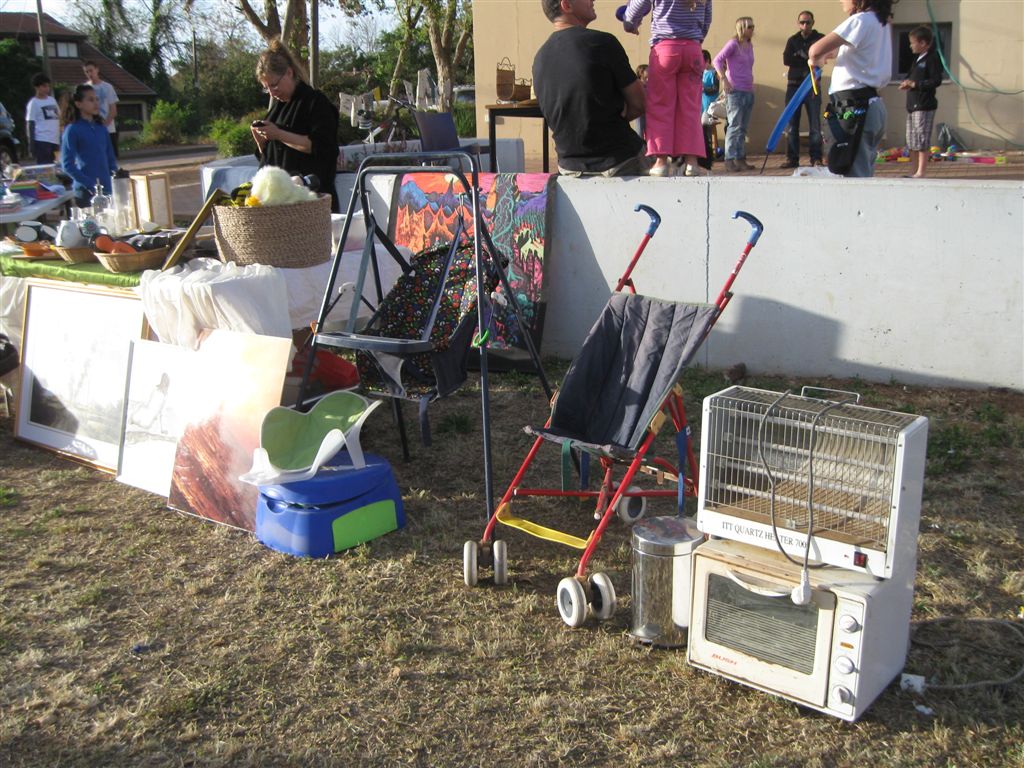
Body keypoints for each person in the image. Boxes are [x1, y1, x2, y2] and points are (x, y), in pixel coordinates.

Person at [533, 0, 647, 177]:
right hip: (620, 160)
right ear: (567, 5)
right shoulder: (602, 43)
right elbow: (640, 103)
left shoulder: (540, 58)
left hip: (569, 167)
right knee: (671, 167)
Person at [621, 0, 713, 177]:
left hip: (665, 49)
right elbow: (707, 20)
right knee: (691, 108)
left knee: (660, 106)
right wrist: (694, 38)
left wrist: (630, 23)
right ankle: (692, 162)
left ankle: (661, 161)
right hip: (693, 50)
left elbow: (637, 7)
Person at [252, 40, 341, 211]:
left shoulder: (315, 102)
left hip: (311, 200)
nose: (272, 92)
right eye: (266, 88)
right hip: (281, 204)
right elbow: (271, 159)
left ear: (289, 73)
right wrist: (261, 140)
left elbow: (322, 147)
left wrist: (278, 134)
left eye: (274, 85)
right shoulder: (276, 110)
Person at [809, 0, 894, 178]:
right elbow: (839, 51)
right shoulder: (881, 23)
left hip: (854, 106)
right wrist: (825, 56)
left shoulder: (860, 20)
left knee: (852, 174)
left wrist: (815, 59)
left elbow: (815, 50)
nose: (841, 1)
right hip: (871, 104)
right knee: (861, 170)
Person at [60, 84, 118, 207]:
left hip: (107, 188)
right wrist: (90, 184)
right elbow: (67, 165)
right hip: (86, 192)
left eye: (97, 99)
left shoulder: (101, 128)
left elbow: (110, 157)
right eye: (91, 100)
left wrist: (116, 178)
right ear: (78, 104)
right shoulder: (72, 130)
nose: (96, 103)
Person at [782, 10, 825, 168]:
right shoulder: (793, 40)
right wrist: (807, 58)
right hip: (794, 85)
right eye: (802, 22)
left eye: (808, 22)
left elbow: (821, 58)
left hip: (811, 85)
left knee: (815, 125)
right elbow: (787, 59)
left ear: (813, 23)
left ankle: (816, 158)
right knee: (792, 125)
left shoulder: (819, 38)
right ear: (798, 23)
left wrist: (801, 56)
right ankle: (792, 159)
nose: (805, 25)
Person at [713, 17, 756, 173]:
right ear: (741, 28)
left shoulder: (749, 45)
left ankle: (740, 158)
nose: (752, 29)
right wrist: (724, 79)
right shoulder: (733, 44)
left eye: (753, 26)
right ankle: (729, 159)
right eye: (749, 26)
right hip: (735, 90)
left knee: (742, 127)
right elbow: (717, 60)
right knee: (735, 126)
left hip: (748, 89)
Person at [899, 25, 942, 179]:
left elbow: (936, 80)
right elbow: (912, 78)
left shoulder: (932, 58)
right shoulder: (917, 60)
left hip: (924, 105)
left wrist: (916, 84)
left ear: (923, 43)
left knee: (921, 138)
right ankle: (913, 169)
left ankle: (921, 171)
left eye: (913, 43)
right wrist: (907, 83)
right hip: (912, 105)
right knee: (912, 139)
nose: (910, 46)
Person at [82, 61, 119, 158]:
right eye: (86, 72)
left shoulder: (107, 87)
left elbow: (113, 110)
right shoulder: (84, 89)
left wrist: (104, 125)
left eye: (91, 70)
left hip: (108, 129)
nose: (89, 74)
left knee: (110, 158)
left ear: (97, 70)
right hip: (91, 130)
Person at [25, 73, 60, 165]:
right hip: (42, 141)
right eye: (44, 86)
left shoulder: (52, 100)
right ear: (37, 87)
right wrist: (31, 145)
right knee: (45, 168)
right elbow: (30, 124)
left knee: (58, 167)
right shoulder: (33, 103)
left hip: (55, 140)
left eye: (48, 86)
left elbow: (59, 117)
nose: (47, 89)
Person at [701, 49, 721, 157]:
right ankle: (703, 149)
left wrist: (704, 89)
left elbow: (715, 88)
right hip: (701, 104)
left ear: (707, 60)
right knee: (700, 126)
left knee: (706, 125)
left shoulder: (714, 73)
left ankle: (710, 150)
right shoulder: (701, 73)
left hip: (710, 106)